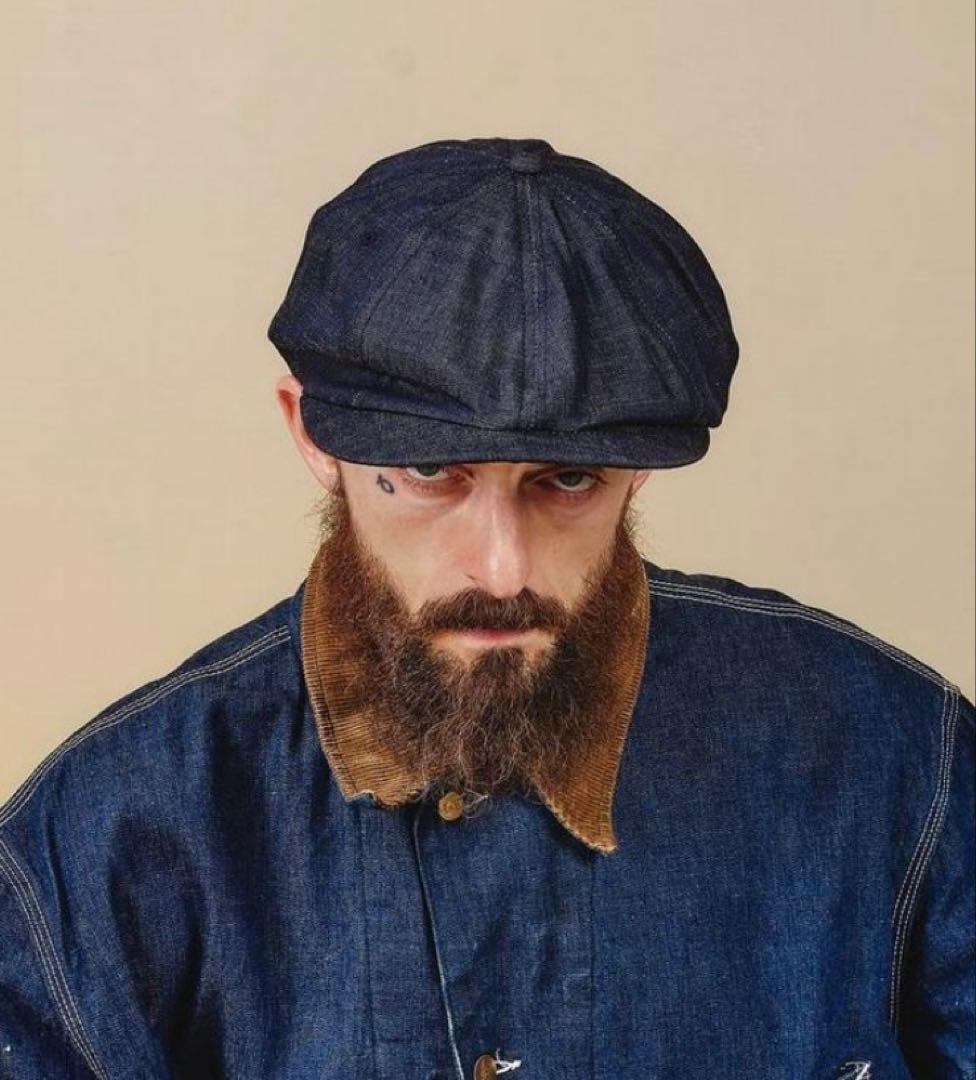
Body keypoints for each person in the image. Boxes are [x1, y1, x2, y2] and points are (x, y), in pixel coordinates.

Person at [0, 137, 971, 1080]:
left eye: (567, 480)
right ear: (314, 436)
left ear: (634, 469)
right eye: (433, 472)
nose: (503, 570)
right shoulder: (106, 839)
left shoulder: (896, 760)